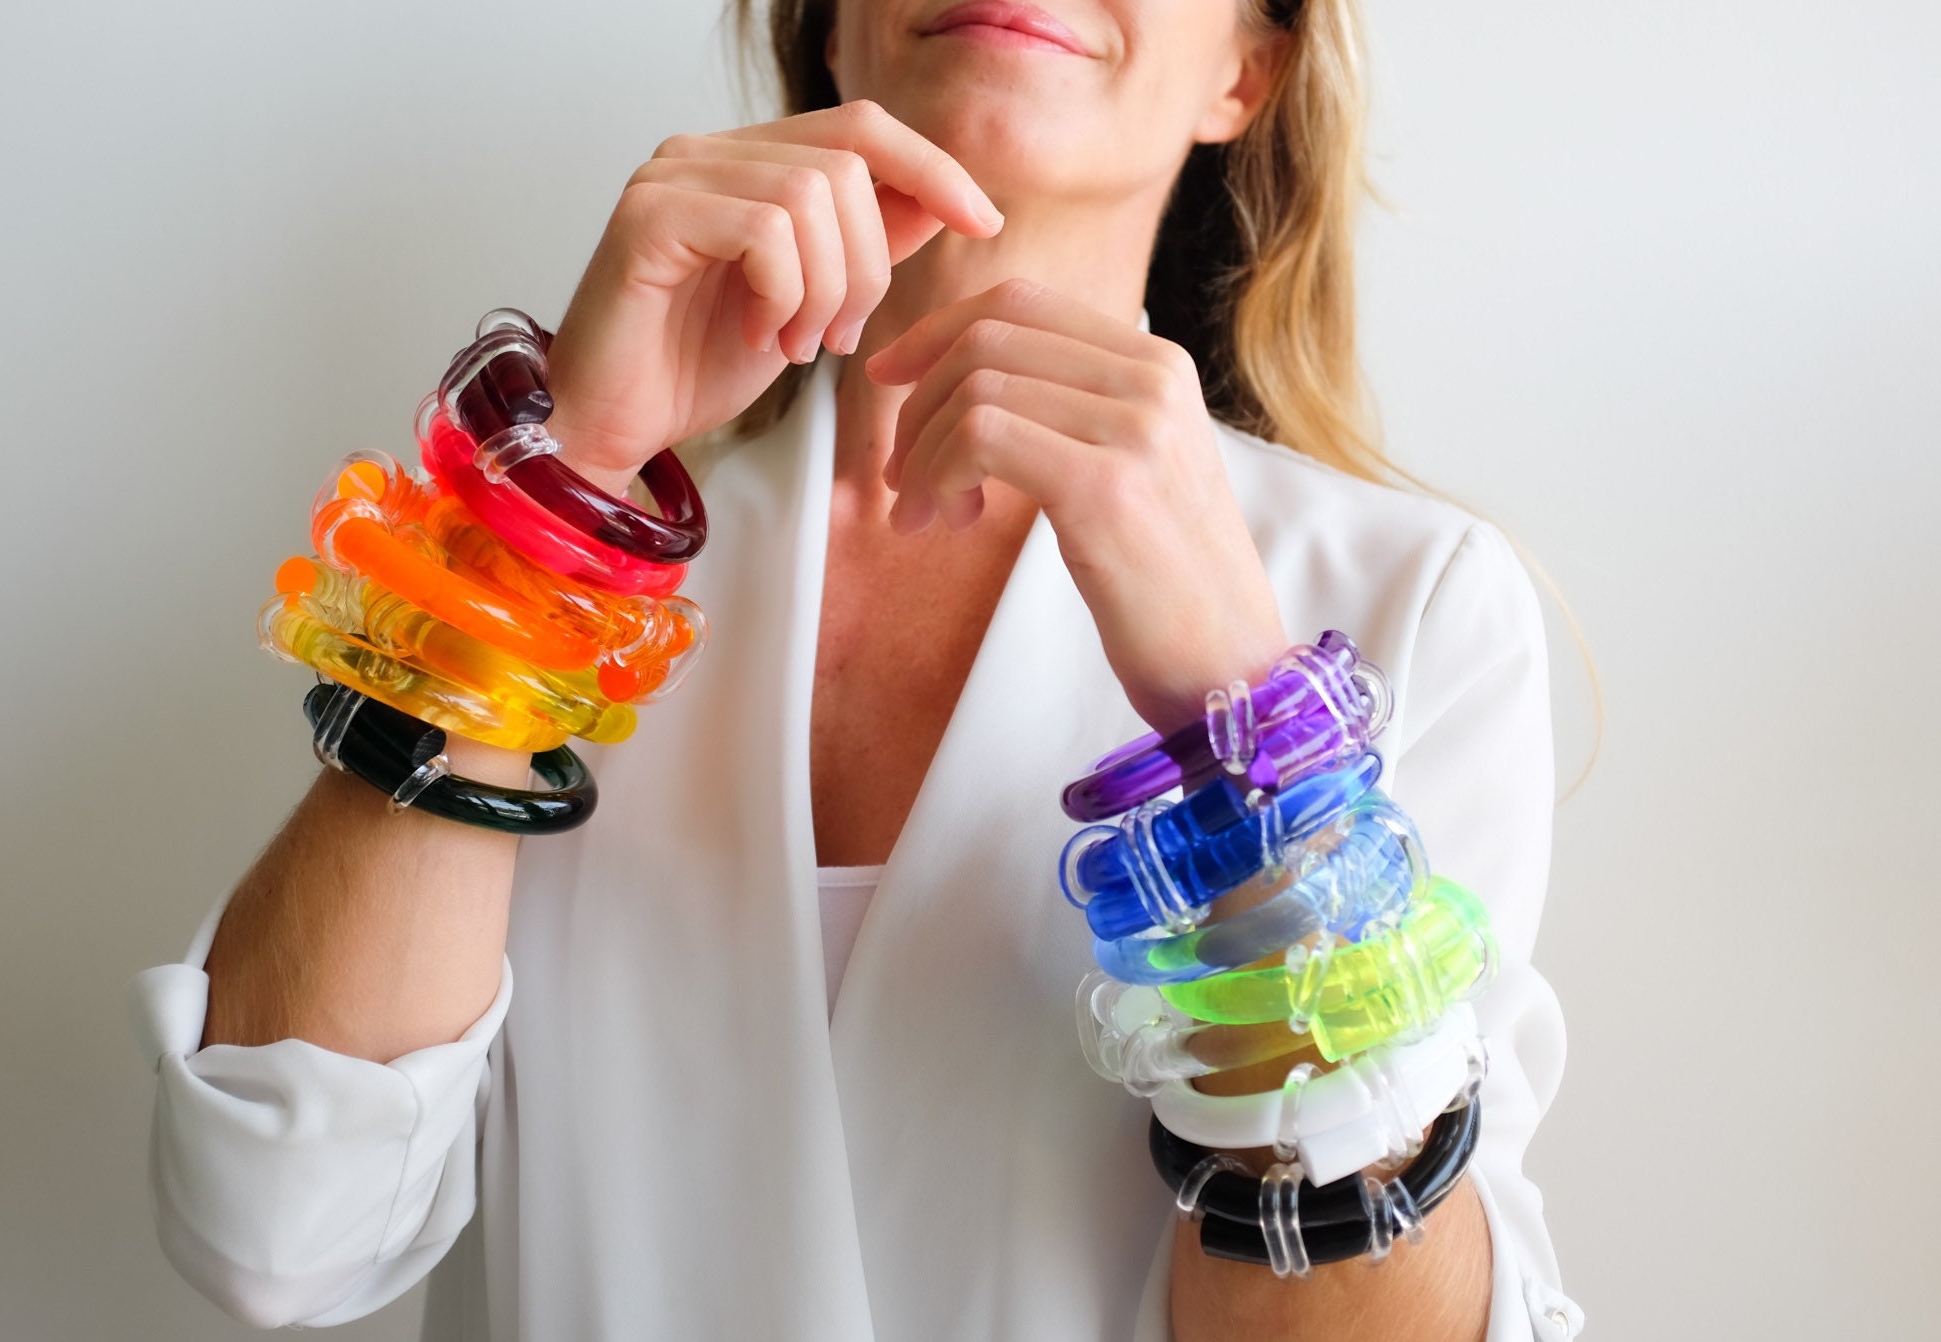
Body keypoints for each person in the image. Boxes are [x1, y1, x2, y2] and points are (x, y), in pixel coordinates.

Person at [126, 1, 1583, 1337]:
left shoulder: (1409, 608)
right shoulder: (578, 576)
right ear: (832, 27)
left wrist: (1257, 743)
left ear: (1243, 72)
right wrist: (556, 498)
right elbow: (279, 1228)